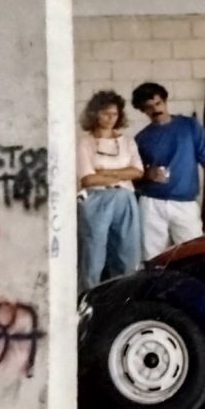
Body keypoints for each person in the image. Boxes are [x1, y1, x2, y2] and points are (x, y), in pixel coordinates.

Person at [131, 82, 205, 260]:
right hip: (151, 202)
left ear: (165, 101)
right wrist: (147, 174)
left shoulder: (190, 127)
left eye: (158, 103)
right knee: (152, 257)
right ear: (143, 110)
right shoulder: (141, 139)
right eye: (149, 107)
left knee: (194, 254)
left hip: (185, 202)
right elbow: (133, 175)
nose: (155, 110)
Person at [76, 90, 143, 292]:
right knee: (93, 253)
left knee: (127, 252)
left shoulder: (127, 141)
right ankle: (88, 296)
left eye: (114, 114)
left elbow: (138, 171)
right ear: (95, 114)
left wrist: (105, 173)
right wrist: (123, 174)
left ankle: (123, 296)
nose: (110, 118)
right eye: (105, 113)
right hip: (96, 199)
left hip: (125, 198)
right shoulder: (85, 142)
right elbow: (88, 178)